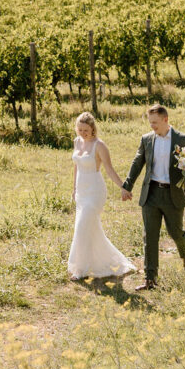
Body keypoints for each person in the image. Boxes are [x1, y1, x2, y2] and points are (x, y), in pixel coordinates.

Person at [121, 104, 185, 291]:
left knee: (175, 232)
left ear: (165, 119)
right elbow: (137, 163)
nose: (152, 126)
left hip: (173, 194)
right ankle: (150, 279)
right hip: (151, 193)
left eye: (155, 122)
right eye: (150, 122)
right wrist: (127, 186)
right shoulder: (147, 139)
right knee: (150, 236)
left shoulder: (183, 140)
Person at [68, 112, 136, 281]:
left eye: (86, 130)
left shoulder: (99, 146)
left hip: (95, 192)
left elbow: (109, 169)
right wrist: (74, 189)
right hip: (81, 192)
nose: (82, 133)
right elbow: (76, 167)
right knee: (90, 229)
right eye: (80, 129)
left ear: (93, 129)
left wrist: (123, 187)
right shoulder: (77, 141)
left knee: (81, 227)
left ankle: (80, 269)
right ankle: (107, 261)